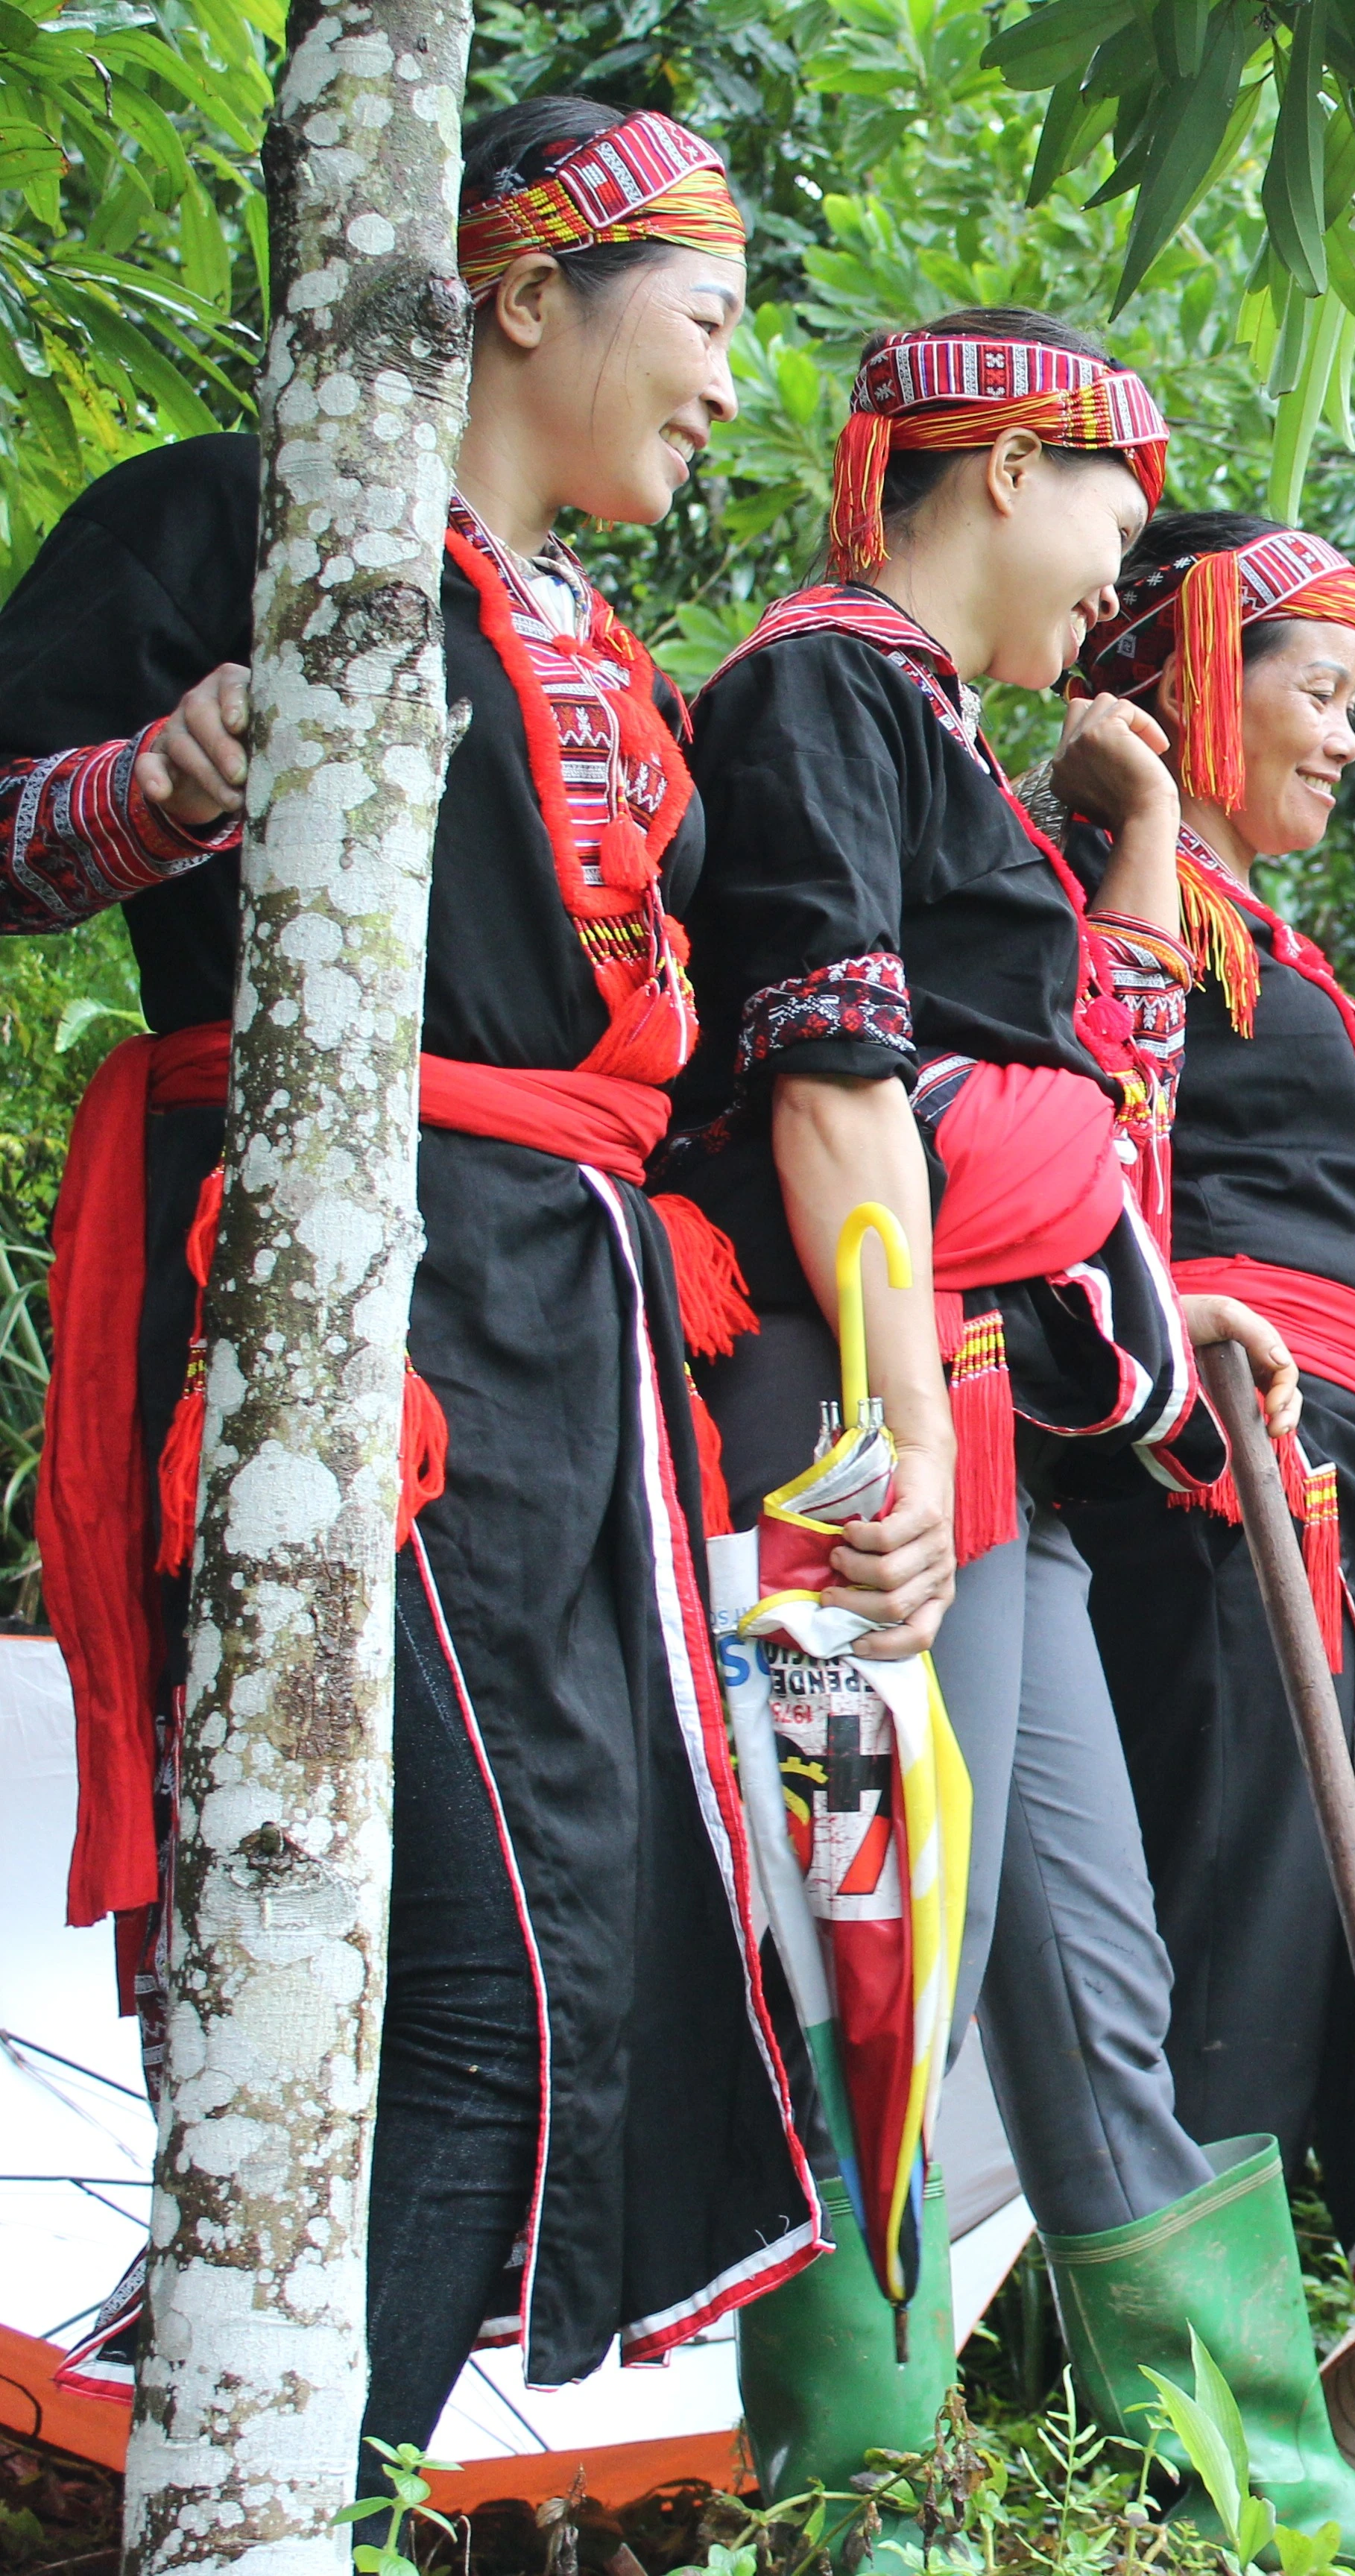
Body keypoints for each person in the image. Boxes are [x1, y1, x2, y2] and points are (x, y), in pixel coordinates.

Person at [0, 98, 818, 2481]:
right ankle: (266, 2500)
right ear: (523, 291)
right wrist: (156, 782)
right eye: (705, 317)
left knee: (583, 1972)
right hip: (356, 1284)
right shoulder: (245, 525)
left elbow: (681, 1103)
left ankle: (286, 2496)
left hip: (573, 1330)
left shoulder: (609, 650)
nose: (728, 385)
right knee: (462, 1978)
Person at [668, 315, 1355, 2564]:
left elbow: (1054, 1126)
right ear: (1009, 469)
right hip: (860, 1404)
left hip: (983, 1396)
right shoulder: (817, 681)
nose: (1121, 567)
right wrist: (904, 1425)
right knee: (880, 1945)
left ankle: (1244, 2453)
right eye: (1118, 507)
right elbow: (832, 1086)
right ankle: (854, 2481)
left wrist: (1151, 1289)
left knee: (1085, 1950)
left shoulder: (929, 720)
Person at [1052, 512, 1355, 2402]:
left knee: (1295, 1899)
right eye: (1312, 692)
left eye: (1354, 702)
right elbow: (1101, 1134)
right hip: (1204, 1443)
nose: (1343, 739)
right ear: (1184, 687)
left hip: (1336, 1460)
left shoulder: (1284, 943)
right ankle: (1184, 2411)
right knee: (1226, 1888)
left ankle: (1265, 2387)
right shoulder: (1092, 875)